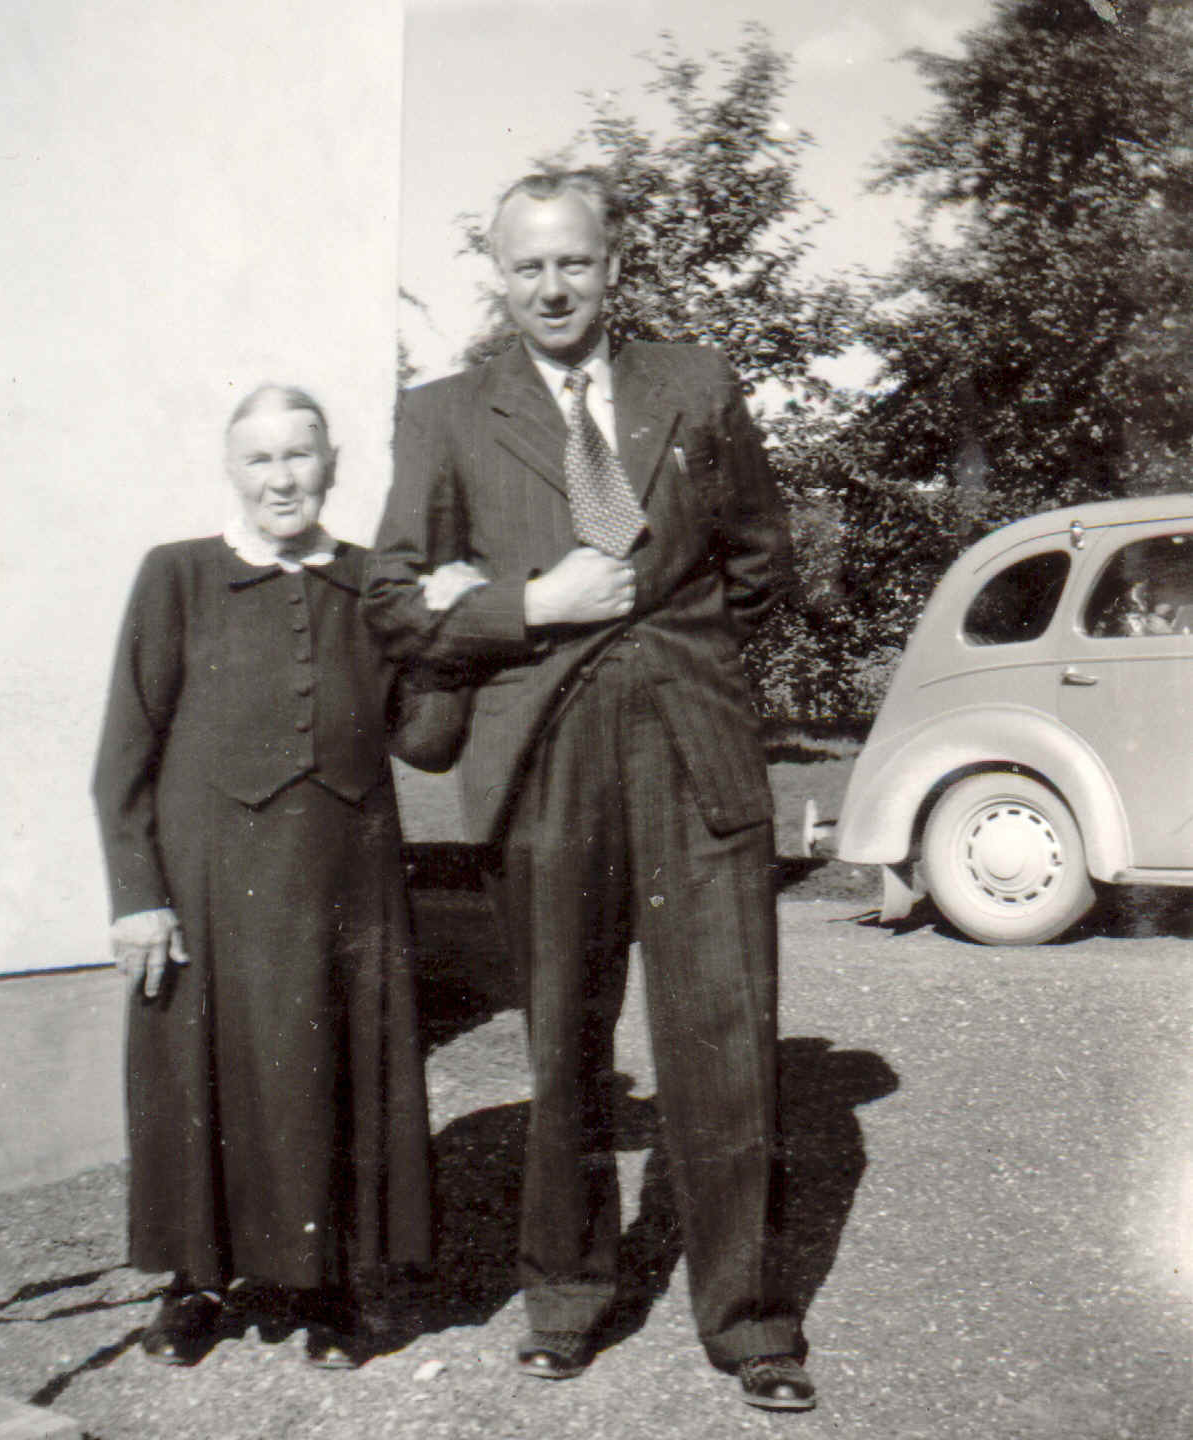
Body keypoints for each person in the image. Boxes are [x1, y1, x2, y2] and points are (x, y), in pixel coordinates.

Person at [366, 170, 813, 1412]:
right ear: (499, 280)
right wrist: (530, 607)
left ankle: (750, 1320)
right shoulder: (447, 415)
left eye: (573, 263)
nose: (552, 288)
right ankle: (565, 1295)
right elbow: (393, 603)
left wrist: (690, 664)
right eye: (527, 268)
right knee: (562, 1037)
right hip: (545, 758)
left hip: (692, 752)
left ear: (613, 266)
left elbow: (759, 561)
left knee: (724, 1039)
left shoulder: (694, 384)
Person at [93, 384, 439, 1369]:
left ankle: (329, 1283)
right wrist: (137, 895)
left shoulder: (375, 584)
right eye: (261, 459)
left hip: (348, 882)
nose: (281, 477)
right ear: (231, 470)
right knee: (206, 1077)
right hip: (208, 880)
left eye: (299, 456)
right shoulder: (178, 577)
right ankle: (197, 1282)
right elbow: (124, 751)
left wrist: (456, 638)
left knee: (333, 1075)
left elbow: (423, 734)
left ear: (330, 465)